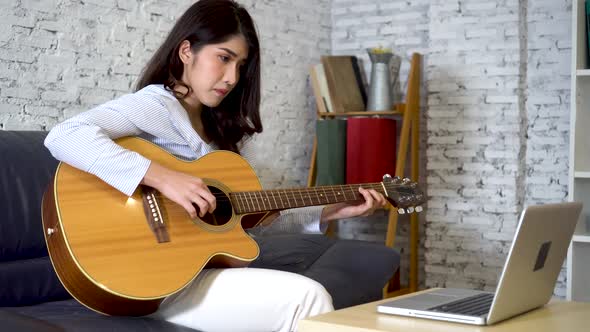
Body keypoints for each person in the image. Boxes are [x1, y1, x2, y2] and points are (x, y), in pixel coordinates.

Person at [44, 1, 393, 331]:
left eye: (240, 66)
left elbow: (244, 224)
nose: (231, 77)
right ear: (186, 51)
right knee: (307, 297)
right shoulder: (157, 105)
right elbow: (65, 135)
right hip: (152, 276)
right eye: (223, 58)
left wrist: (330, 211)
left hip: (195, 271)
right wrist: (164, 179)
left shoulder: (221, 136)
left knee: (310, 290)